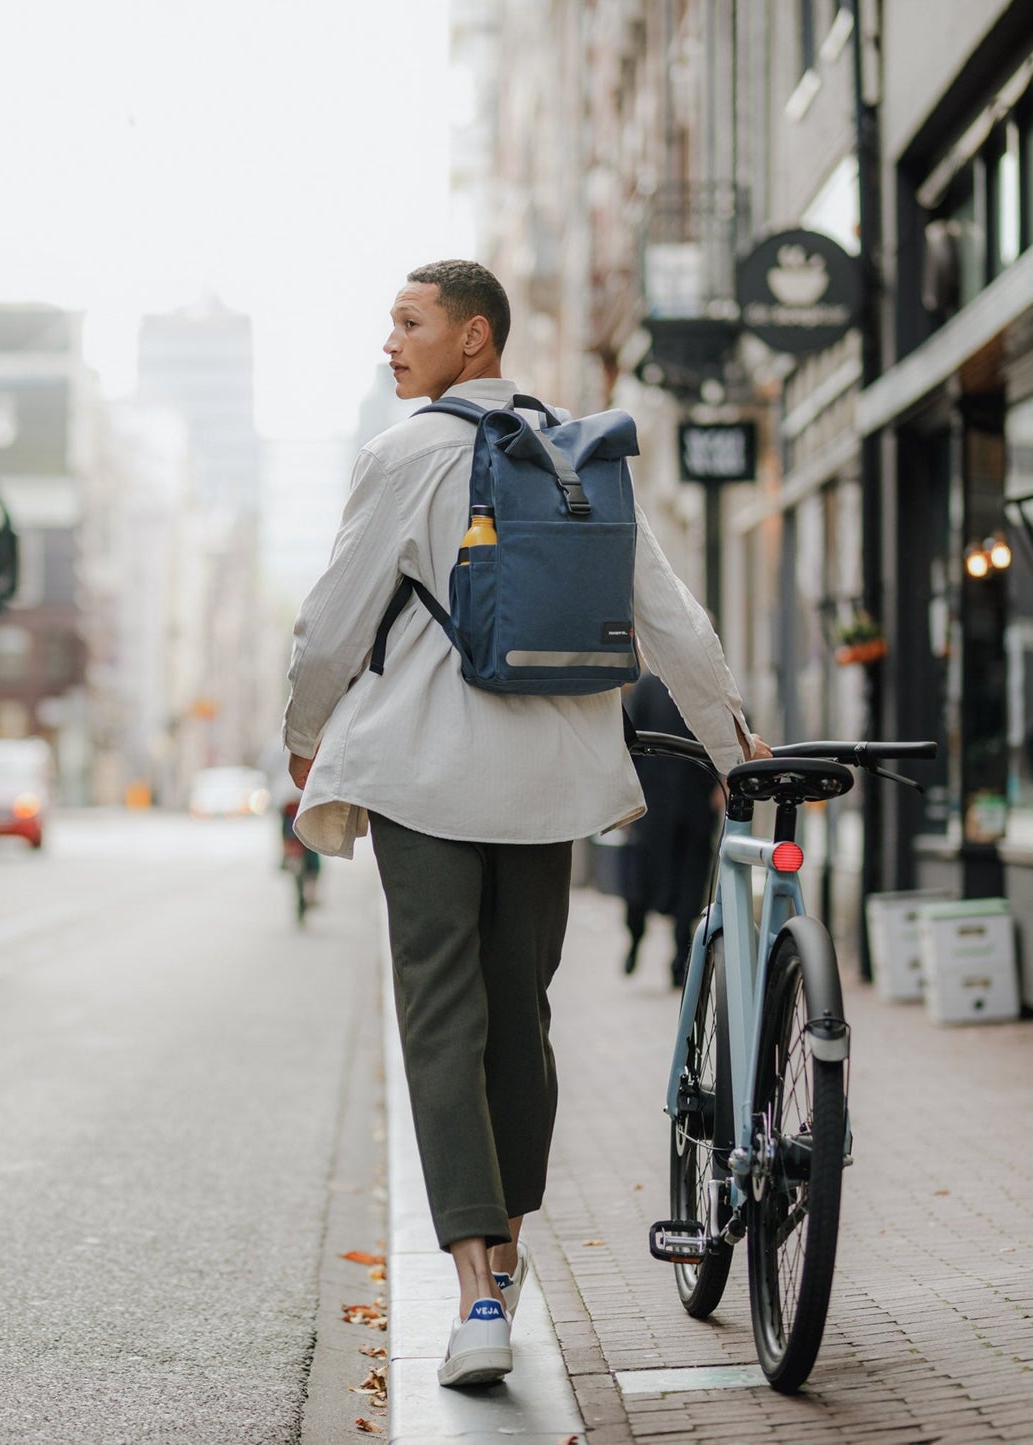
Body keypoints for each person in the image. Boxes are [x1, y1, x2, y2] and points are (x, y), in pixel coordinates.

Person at [282, 260, 769, 1389]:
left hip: (421, 777)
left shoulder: (405, 453)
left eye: (409, 323)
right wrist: (728, 738)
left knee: (440, 1016)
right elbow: (665, 614)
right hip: (551, 784)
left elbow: (331, 622)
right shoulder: (583, 448)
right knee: (520, 1012)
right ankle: (504, 1243)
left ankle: (478, 1292)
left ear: (474, 336)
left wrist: (301, 730)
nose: (389, 344)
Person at [620, 669, 720, 987]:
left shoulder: (712, 685)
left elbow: (734, 731)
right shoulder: (649, 687)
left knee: (690, 886)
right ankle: (635, 938)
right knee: (642, 884)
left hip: (697, 800)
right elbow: (628, 739)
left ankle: (680, 961)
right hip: (654, 802)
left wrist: (726, 783)